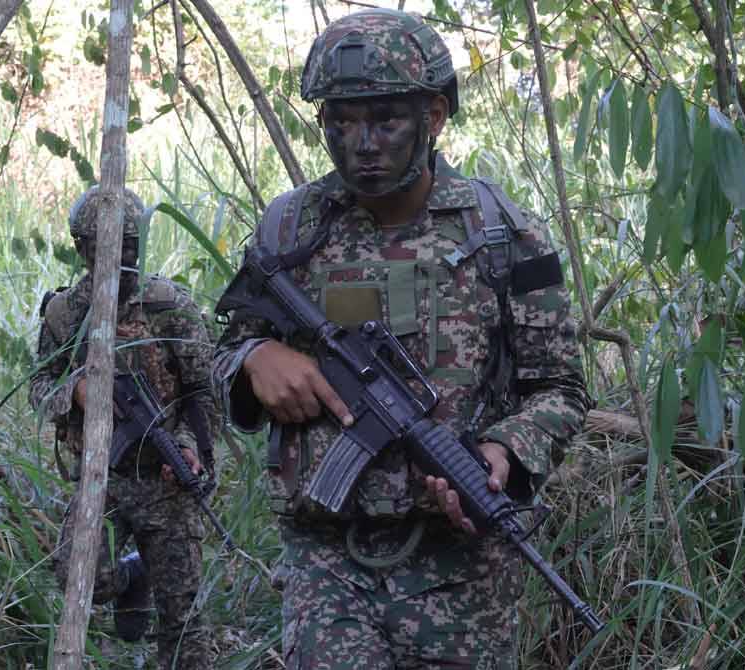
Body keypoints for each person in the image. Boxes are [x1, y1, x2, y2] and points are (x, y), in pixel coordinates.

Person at [212, 8, 591, 668]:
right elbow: (222, 349)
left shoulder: (503, 234)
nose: (361, 143)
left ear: (434, 116)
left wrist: (504, 449)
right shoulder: (290, 227)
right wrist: (254, 359)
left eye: (385, 119)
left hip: (461, 569)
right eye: (341, 121)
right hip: (325, 561)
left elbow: (560, 388)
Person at [29, 186, 218, 668]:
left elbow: (204, 391)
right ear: (82, 249)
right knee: (80, 576)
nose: (121, 256)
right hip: (101, 480)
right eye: (106, 246)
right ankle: (133, 577)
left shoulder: (169, 306)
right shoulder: (65, 313)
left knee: (183, 619)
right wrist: (74, 392)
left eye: (131, 245)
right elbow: (38, 386)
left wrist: (190, 445)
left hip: (166, 481)